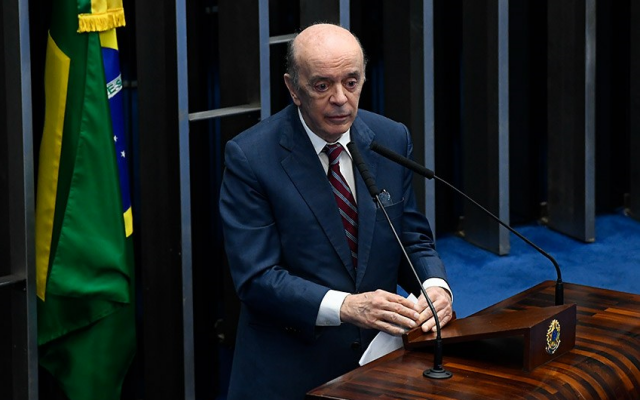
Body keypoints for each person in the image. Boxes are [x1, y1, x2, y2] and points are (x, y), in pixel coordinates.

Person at [219, 23, 453, 400]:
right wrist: (347, 306)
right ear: (293, 88)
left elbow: (410, 238)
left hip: (381, 366)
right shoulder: (251, 157)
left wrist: (434, 287)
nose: (341, 99)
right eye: (322, 85)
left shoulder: (389, 138)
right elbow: (257, 278)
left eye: (352, 81)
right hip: (291, 369)